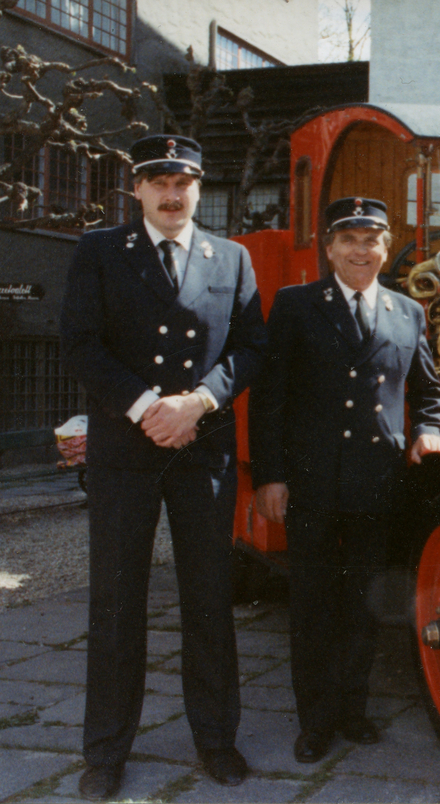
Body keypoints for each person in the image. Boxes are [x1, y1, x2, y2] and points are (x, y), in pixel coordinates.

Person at [60, 134, 266, 799]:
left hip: (202, 452)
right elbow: (81, 342)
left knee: (209, 599)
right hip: (127, 451)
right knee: (117, 604)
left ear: (200, 189)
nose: (173, 195)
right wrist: (151, 405)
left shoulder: (231, 258)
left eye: (184, 183)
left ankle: (216, 740)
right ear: (138, 188)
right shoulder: (99, 251)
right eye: (159, 182)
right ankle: (105, 752)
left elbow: (251, 346)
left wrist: (199, 402)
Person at [249, 197, 440, 764]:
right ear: (330, 248)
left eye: (373, 241)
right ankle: (315, 723)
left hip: (376, 481)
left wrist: (428, 431)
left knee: (364, 603)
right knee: (312, 604)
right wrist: (271, 476)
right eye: (350, 240)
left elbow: (429, 390)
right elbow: (269, 400)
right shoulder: (295, 305)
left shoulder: (409, 312)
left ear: (387, 249)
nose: (362, 251)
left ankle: (353, 711)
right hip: (311, 482)